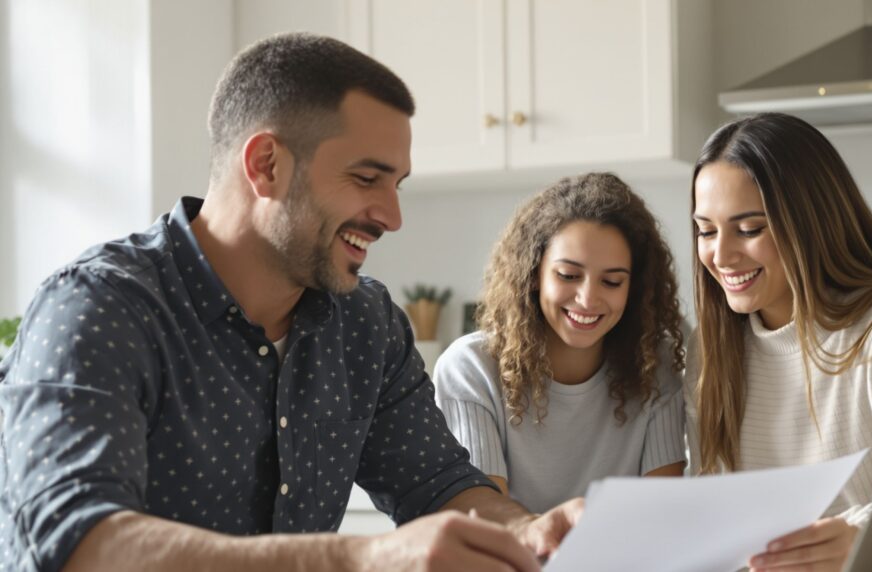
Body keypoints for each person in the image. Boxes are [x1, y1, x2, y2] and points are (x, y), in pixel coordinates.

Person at [0, 33, 581, 572]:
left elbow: (438, 486)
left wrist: (530, 532)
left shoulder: (366, 324)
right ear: (266, 165)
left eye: (397, 184)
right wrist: (359, 559)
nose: (391, 216)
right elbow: (78, 543)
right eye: (367, 179)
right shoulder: (100, 308)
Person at [685, 112, 872, 571]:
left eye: (749, 229)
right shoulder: (711, 350)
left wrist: (864, 538)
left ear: (810, 222)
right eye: (706, 231)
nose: (720, 255)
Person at [433, 173, 688, 513]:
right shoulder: (471, 369)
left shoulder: (656, 365)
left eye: (612, 282)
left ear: (635, 288)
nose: (588, 299)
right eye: (568, 275)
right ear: (533, 274)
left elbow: (660, 513)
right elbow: (485, 520)